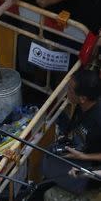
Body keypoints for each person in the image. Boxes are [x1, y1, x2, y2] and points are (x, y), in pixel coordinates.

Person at [42, 70, 101, 200]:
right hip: (78, 149)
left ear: (83, 98)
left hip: (91, 169)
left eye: (70, 90)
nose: (66, 91)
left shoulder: (98, 120)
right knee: (47, 157)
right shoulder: (81, 106)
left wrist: (84, 156)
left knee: (48, 179)